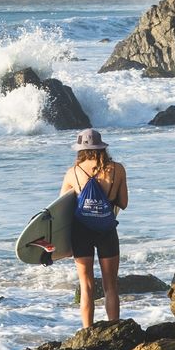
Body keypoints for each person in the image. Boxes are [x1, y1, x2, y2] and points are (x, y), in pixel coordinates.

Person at [60, 127, 127, 329]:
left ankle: (87, 332)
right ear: (102, 147)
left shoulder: (73, 173)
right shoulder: (117, 169)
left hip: (81, 232)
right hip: (106, 230)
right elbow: (123, 203)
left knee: (86, 286)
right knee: (110, 286)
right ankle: (114, 329)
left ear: (80, 149)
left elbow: (61, 209)